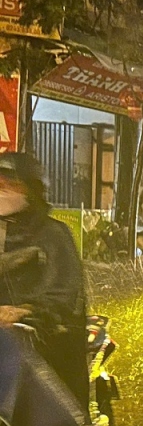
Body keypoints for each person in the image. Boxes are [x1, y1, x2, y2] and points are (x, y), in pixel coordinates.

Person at [0, 153, 89, 411]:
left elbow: (64, 293)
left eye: (11, 181)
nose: (3, 187)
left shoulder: (53, 234)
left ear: (31, 188)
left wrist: (25, 310)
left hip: (43, 346)